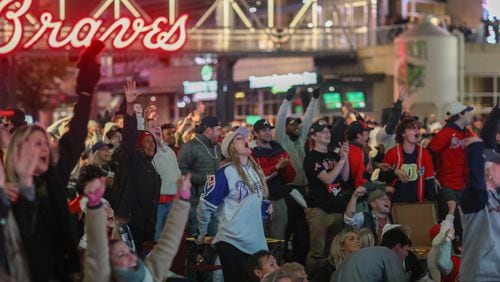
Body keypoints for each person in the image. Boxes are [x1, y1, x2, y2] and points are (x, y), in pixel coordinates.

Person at [4, 40, 104, 281]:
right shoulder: (7, 185)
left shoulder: (54, 174)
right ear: (20, 149)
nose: (44, 149)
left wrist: (86, 85)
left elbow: (78, 129)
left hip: (60, 270)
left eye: (45, 143)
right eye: (37, 143)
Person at [82, 168, 191, 282]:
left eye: (128, 252)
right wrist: (94, 207)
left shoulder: (148, 275)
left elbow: (168, 243)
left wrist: (182, 201)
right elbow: (96, 246)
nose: (132, 257)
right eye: (121, 255)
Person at [196, 127, 268, 281]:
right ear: (230, 148)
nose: (245, 140)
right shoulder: (225, 173)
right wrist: (202, 232)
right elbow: (205, 205)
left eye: (245, 138)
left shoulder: (256, 171)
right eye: (238, 138)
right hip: (232, 240)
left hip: (256, 241)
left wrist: (265, 208)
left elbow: (257, 201)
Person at [116, 81, 161, 256]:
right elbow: (129, 134)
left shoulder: (151, 167)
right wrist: (129, 106)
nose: (152, 145)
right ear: (138, 146)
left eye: (153, 142)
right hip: (131, 224)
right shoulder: (132, 160)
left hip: (147, 226)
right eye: (147, 142)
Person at [275, 87, 320, 264]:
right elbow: (279, 120)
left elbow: (307, 120)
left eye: (298, 124)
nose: (298, 127)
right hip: (287, 191)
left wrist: (315, 100)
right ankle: (281, 263)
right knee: (286, 230)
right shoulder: (280, 139)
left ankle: (300, 264)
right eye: (292, 124)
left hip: (303, 191)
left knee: (303, 231)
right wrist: (286, 101)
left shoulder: (300, 140)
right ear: (285, 128)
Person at [303, 120, 350, 274]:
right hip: (320, 209)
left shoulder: (333, 155)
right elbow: (328, 179)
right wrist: (342, 160)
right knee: (317, 251)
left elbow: (344, 177)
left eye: (328, 131)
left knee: (334, 251)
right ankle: (309, 278)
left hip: (337, 207)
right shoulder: (311, 158)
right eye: (322, 131)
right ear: (314, 136)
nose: (327, 134)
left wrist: (345, 157)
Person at [427, 102, 474, 240]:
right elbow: (429, 154)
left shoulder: (467, 132)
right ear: (460, 115)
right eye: (467, 112)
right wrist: (432, 175)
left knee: (465, 223)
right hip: (447, 184)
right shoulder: (445, 133)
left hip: (463, 185)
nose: (469, 115)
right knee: (453, 222)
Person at [459, 138, 500, 281]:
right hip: (479, 273)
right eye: (498, 164)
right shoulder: (471, 196)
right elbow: (477, 186)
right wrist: (475, 149)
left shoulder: (497, 196)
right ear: (487, 170)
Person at [251, 119, 295, 242]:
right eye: (263, 130)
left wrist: (284, 168)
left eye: (269, 129)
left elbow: (291, 177)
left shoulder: (278, 148)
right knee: (257, 239)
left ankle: (276, 261)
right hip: (259, 201)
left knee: (279, 239)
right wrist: (276, 168)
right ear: (255, 133)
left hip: (279, 200)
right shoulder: (250, 152)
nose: (268, 132)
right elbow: (256, 176)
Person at [178, 115, 222, 236]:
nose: (220, 132)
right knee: (197, 241)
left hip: (214, 202)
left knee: (214, 239)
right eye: (218, 129)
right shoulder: (189, 147)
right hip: (196, 204)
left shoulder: (216, 148)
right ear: (209, 130)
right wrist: (204, 179)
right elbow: (181, 171)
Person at [379, 118, 436, 203]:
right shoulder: (392, 153)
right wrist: (395, 172)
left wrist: (432, 205)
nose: (417, 132)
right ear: (403, 133)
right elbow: (381, 176)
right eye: (412, 129)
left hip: (418, 204)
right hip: (396, 204)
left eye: (417, 129)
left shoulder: (425, 153)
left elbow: (429, 182)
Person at [144, 117, 182, 241]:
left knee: (171, 238)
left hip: (173, 200)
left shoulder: (169, 150)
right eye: (152, 126)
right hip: (157, 202)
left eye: (158, 125)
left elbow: (177, 173)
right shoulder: (147, 151)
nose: (157, 127)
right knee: (156, 236)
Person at [331, 227, 410, 282]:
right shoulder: (389, 255)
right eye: (406, 250)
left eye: (358, 239)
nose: (407, 255)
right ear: (398, 247)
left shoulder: (370, 257)